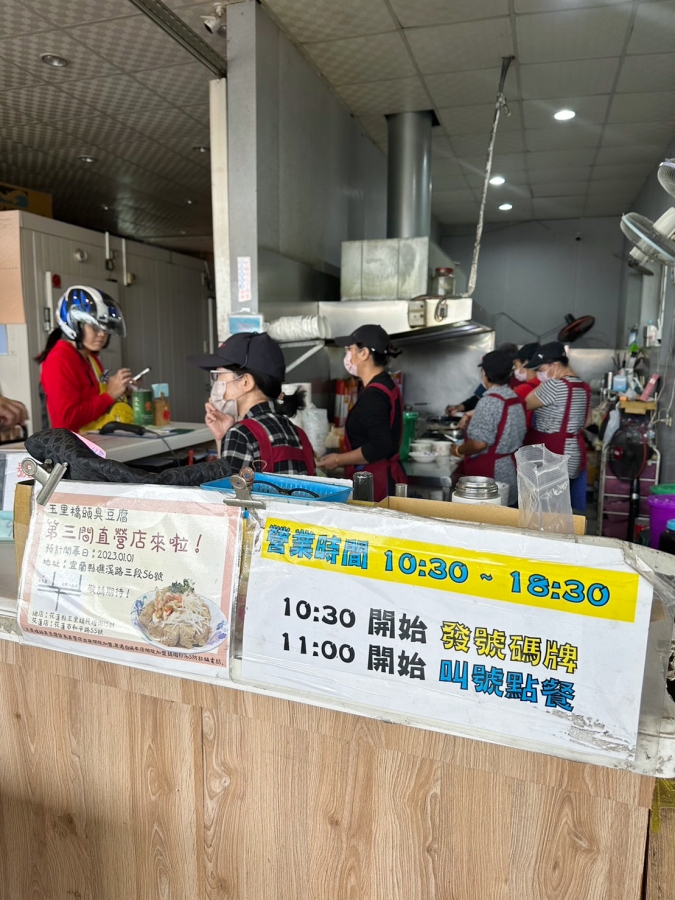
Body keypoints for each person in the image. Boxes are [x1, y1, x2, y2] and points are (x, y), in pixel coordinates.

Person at [191, 332, 315, 476]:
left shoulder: (241, 434)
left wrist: (230, 435)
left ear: (246, 382)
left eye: (218, 376)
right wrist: (222, 437)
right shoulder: (298, 433)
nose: (216, 383)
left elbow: (227, 494)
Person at [319, 324, 406, 501]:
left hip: (376, 482)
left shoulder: (374, 395)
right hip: (384, 476)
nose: (347, 355)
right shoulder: (385, 384)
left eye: (350, 349)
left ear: (364, 353)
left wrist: (337, 460)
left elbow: (378, 446)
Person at [37, 286, 133, 433]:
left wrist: (121, 389)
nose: (102, 334)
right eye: (95, 328)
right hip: (73, 450)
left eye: (105, 328)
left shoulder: (89, 357)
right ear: (75, 325)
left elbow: (92, 402)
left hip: (95, 443)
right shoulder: (59, 360)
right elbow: (67, 419)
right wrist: (110, 395)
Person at [450, 349, 526, 506]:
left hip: (490, 477)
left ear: (484, 373)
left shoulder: (489, 401)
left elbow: (479, 444)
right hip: (509, 470)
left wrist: (458, 450)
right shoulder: (514, 397)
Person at [525, 341, 591, 510]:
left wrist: (541, 383)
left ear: (554, 365)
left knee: (543, 510)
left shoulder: (554, 385)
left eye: (540, 369)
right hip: (573, 453)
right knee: (559, 507)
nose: (539, 374)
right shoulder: (584, 386)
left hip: (553, 455)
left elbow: (526, 403)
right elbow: (588, 421)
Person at [446, 342, 519, 415]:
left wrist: (470, 414)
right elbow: (477, 399)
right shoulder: (491, 380)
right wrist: (458, 407)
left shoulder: (519, 383)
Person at [511, 342, 541, 428]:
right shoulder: (545, 385)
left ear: (526, 364)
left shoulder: (523, 390)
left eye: (516, 365)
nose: (515, 369)